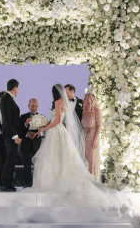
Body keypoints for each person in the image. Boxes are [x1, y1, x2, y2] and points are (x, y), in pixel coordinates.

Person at [31, 84, 122, 213]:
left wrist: (44, 128)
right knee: (61, 156)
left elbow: (57, 120)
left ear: (54, 92)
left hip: (56, 131)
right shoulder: (64, 101)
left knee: (54, 156)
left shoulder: (58, 102)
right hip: (60, 131)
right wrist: (44, 124)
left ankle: (53, 181)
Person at [0, 79, 21, 191]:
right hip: (10, 135)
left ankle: (7, 184)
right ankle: (4, 184)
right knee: (10, 158)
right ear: (14, 87)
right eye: (18, 88)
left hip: (10, 134)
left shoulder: (7, 99)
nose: (18, 91)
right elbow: (7, 120)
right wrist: (14, 136)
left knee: (11, 159)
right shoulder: (7, 99)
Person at [19, 98, 42, 188]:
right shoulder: (23, 117)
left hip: (37, 142)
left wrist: (40, 132)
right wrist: (26, 124)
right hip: (26, 143)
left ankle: (38, 182)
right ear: (28, 106)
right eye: (32, 106)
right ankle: (27, 183)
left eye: (36, 106)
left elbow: (44, 130)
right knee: (26, 164)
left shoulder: (41, 116)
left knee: (38, 164)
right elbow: (19, 132)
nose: (34, 108)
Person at [82, 93, 102, 178]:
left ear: (90, 100)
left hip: (92, 136)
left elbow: (99, 127)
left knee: (92, 159)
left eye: (85, 98)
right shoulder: (84, 111)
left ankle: (93, 179)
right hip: (84, 136)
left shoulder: (97, 111)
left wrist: (95, 140)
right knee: (85, 158)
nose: (84, 100)